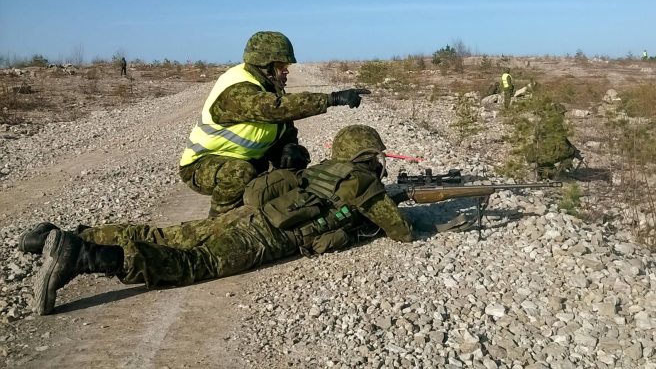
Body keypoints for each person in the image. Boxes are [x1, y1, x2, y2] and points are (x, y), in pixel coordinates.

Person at [24, 125, 415, 315]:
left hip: (247, 212)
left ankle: (61, 236)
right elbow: (401, 232)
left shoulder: (327, 168)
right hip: (268, 233)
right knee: (197, 264)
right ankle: (83, 255)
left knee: (168, 234)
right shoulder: (362, 182)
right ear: (369, 156)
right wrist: (394, 206)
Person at [179, 31, 371, 217]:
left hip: (249, 159)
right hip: (202, 165)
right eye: (282, 66)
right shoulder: (236, 89)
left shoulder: (269, 87)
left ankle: (272, 212)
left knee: (297, 157)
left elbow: (285, 127)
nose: (286, 71)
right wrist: (333, 99)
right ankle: (218, 222)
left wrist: (289, 147)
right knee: (239, 172)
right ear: (265, 65)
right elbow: (275, 108)